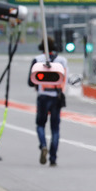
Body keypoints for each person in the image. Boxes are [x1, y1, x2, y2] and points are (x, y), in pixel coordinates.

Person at [28, 36, 68, 166]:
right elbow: (65, 79)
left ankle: (43, 145)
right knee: (55, 129)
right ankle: (53, 158)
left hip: (43, 96)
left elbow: (30, 81)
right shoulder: (62, 61)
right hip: (57, 96)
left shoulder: (37, 60)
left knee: (40, 125)